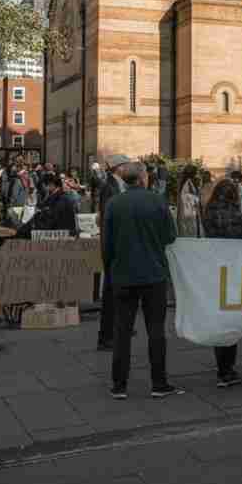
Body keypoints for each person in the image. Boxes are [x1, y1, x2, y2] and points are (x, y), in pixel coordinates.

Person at [103, 161, 181, 399]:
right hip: (153, 273)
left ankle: (119, 385)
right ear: (142, 178)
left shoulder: (114, 203)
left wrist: (111, 271)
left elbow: (107, 244)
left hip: (123, 274)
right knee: (156, 330)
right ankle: (159, 383)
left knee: (122, 331)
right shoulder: (157, 201)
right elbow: (170, 236)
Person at [203, 178, 242, 387]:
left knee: (220, 318)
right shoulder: (237, 215)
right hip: (234, 271)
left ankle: (221, 368)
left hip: (215, 270)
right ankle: (228, 368)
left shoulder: (207, 213)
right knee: (231, 317)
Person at [96, 155, 132, 351]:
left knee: (118, 290)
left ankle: (117, 329)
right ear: (119, 168)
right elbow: (109, 218)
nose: (128, 168)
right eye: (126, 165)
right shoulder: (109, 187)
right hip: (112, 246)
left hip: (116, 244)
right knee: (110, 292)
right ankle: (106, 336)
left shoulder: (117, 185)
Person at [177, 165, 202, 238]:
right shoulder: (188, 183)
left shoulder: (184, 182)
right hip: (189, 214)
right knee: (190, 234)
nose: (197, 175)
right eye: (196, 173)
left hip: (186, 213)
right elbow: (190, 199)